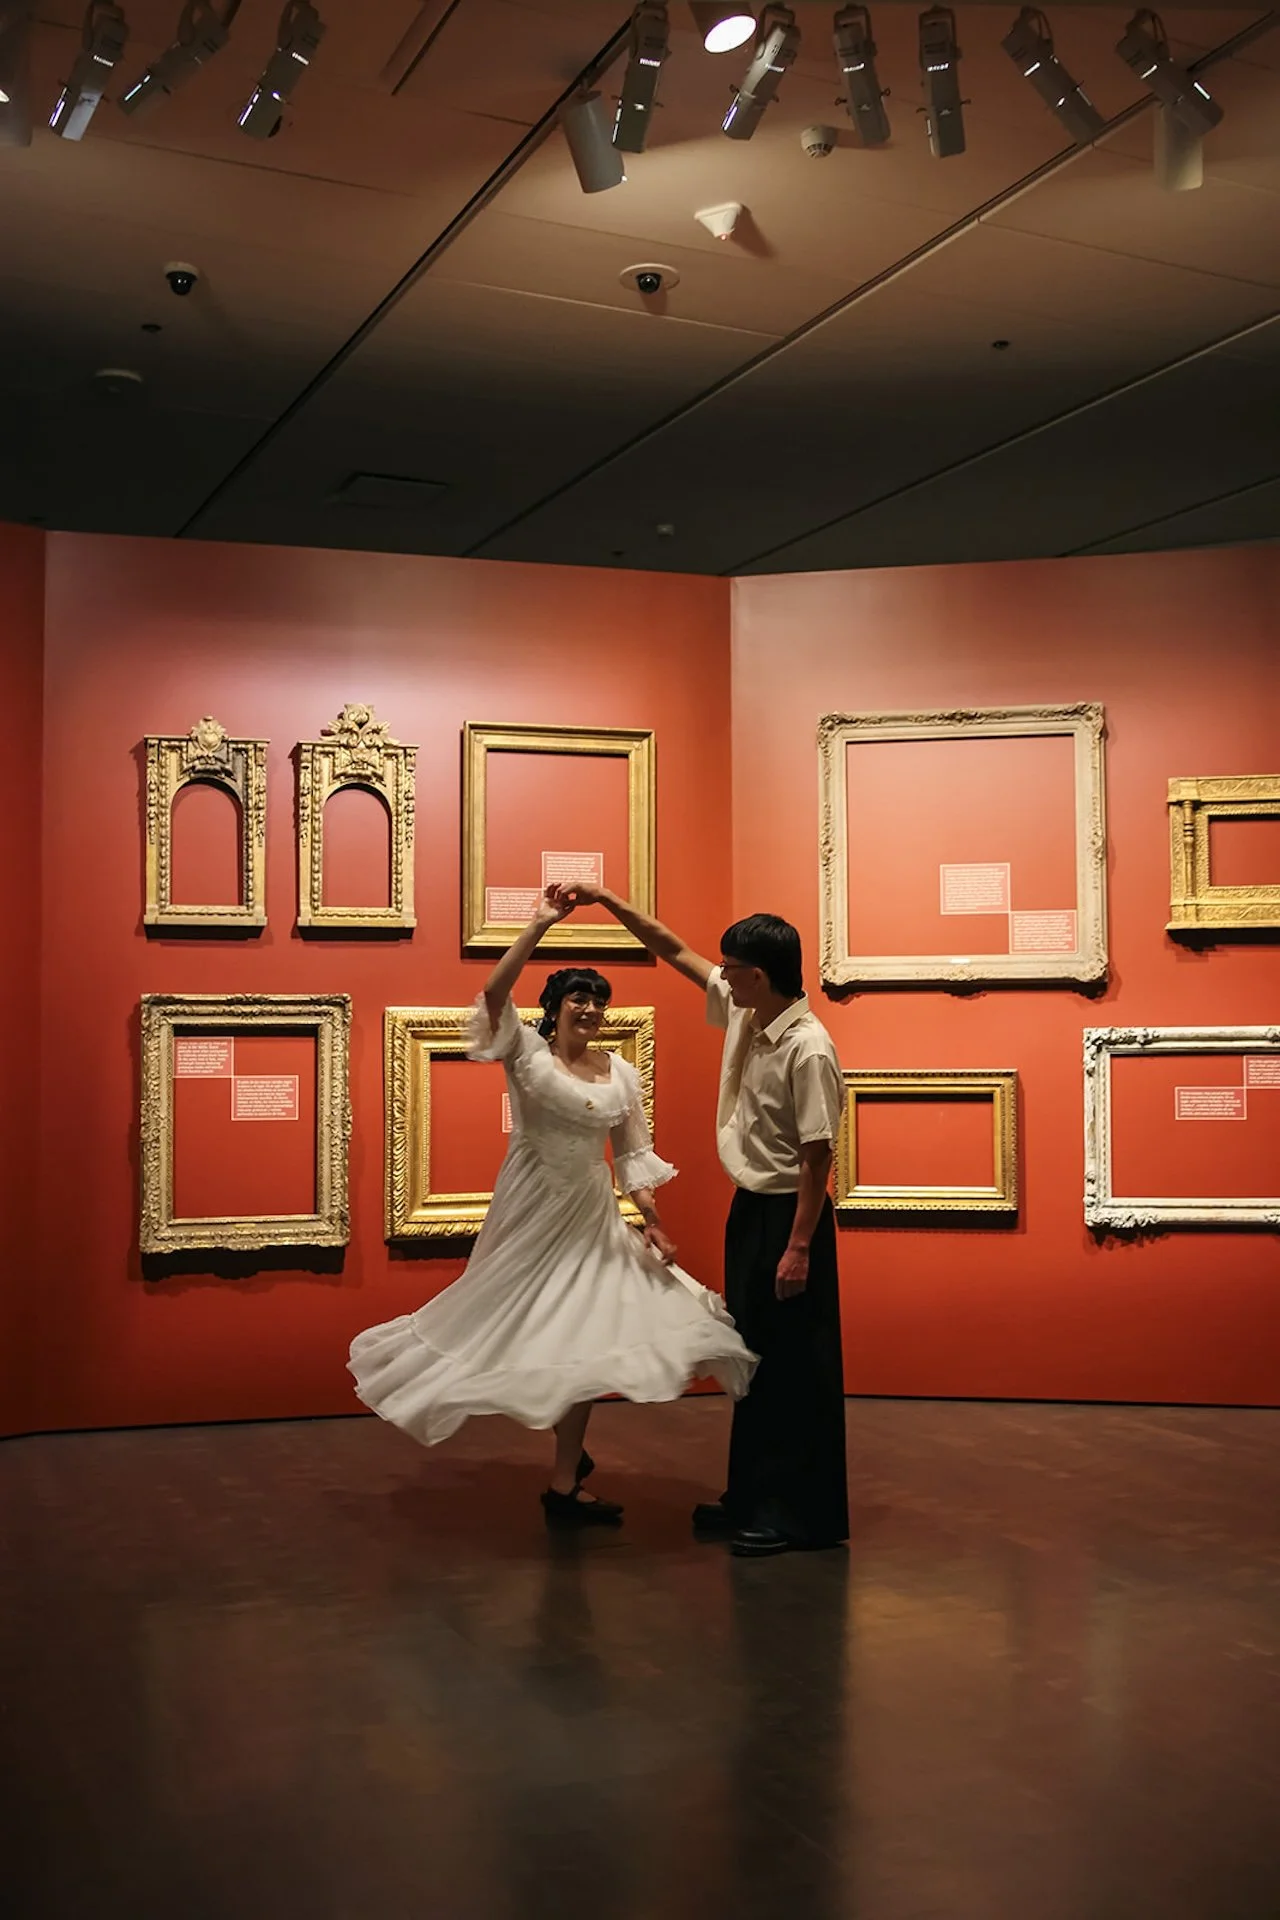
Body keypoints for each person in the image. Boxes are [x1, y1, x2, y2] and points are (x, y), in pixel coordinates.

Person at [348, 890, 757, 1528]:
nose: (591, 1010)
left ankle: (565, 1483)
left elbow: (631, 1155)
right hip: (533, 1208)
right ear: (555, 1007)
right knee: (512, 1324)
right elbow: (491, 993)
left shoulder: (619, 1073)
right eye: (579, 999)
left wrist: (653, 1222)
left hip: (591, 1216)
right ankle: (564, 1476)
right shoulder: (526, 1054)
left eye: (598, 1001)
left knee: (585, 1338)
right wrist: (539, 924)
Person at [553, 883, 847, 1558]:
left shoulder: (808, 1047)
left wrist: (799, 1246)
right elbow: (671, 948)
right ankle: (748, 1495)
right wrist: (607, 900)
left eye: (732, 970)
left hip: (790, 1220)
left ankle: (795, 1516)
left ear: (759, 976)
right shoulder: (750, 1013)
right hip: (754, 1212)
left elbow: (817, 1155)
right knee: (750, 1359)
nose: (721, 977)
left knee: (791, 1369)